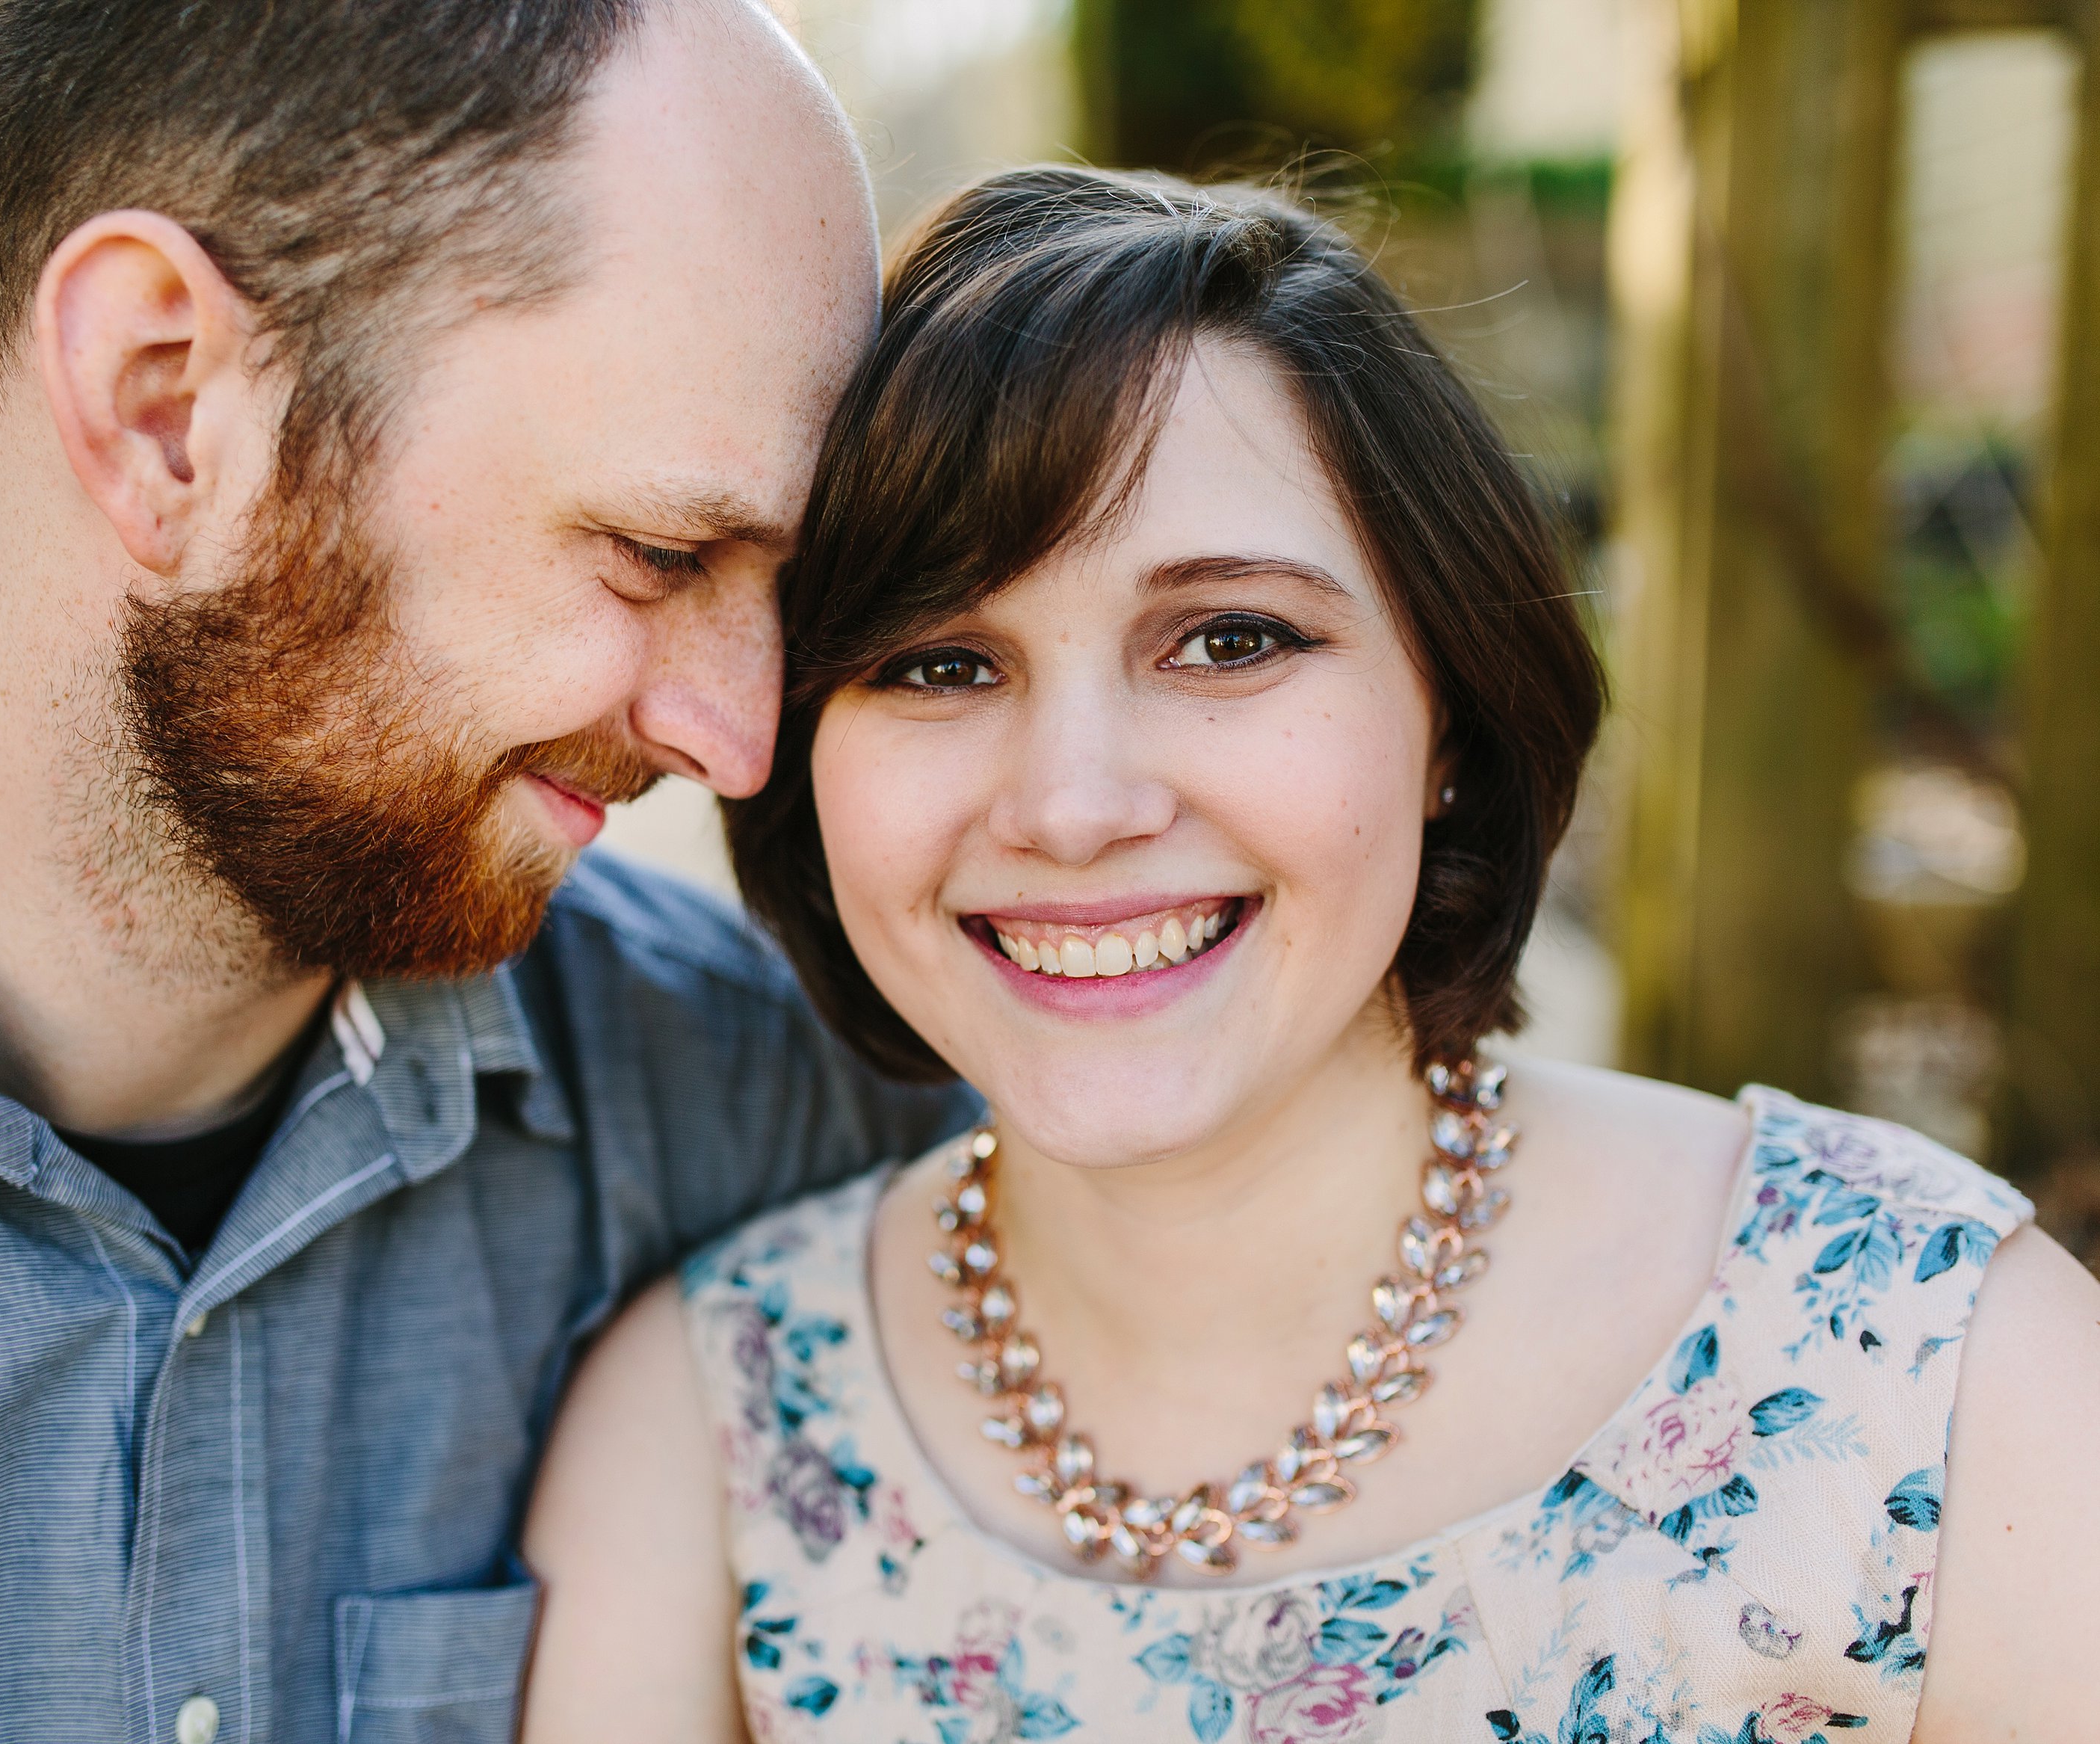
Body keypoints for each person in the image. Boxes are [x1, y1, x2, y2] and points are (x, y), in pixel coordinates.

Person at [0, 3, 975, 1740]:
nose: (737, 736)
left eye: (782, 589)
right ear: (165, 406)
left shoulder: (767, 1111)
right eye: (657, 554)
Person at [520, 167, 2100, 1743]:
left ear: (1449, 724)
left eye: (1229, 640)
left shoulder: (1937, 1378)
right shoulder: (709, 1436)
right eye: (939, 663)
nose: (1073, 808)